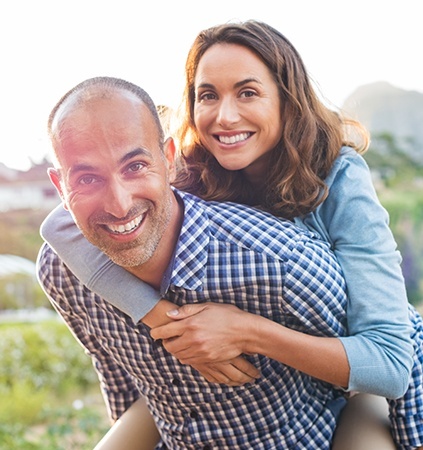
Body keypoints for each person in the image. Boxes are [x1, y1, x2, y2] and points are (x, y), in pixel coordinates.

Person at [39, 20, 423, 449]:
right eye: (208, 95)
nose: (224, 116)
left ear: (286, 98)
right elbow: (58, 224)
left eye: (247, 92)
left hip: (353, 375)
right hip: (229, 388)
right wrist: (158, 318)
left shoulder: (339, 177)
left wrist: (245, 331)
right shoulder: (187, 167)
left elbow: (388, 363)